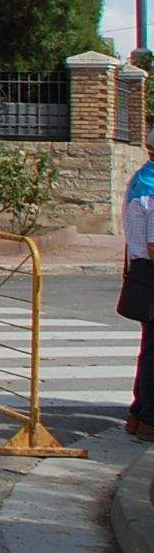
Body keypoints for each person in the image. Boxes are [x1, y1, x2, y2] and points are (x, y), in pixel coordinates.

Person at [127, 125, 154, 442]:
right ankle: (149, 417)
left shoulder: (141, 178)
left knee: (149, 347)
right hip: (150, 270)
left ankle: (138, 413)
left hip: (140, 272)